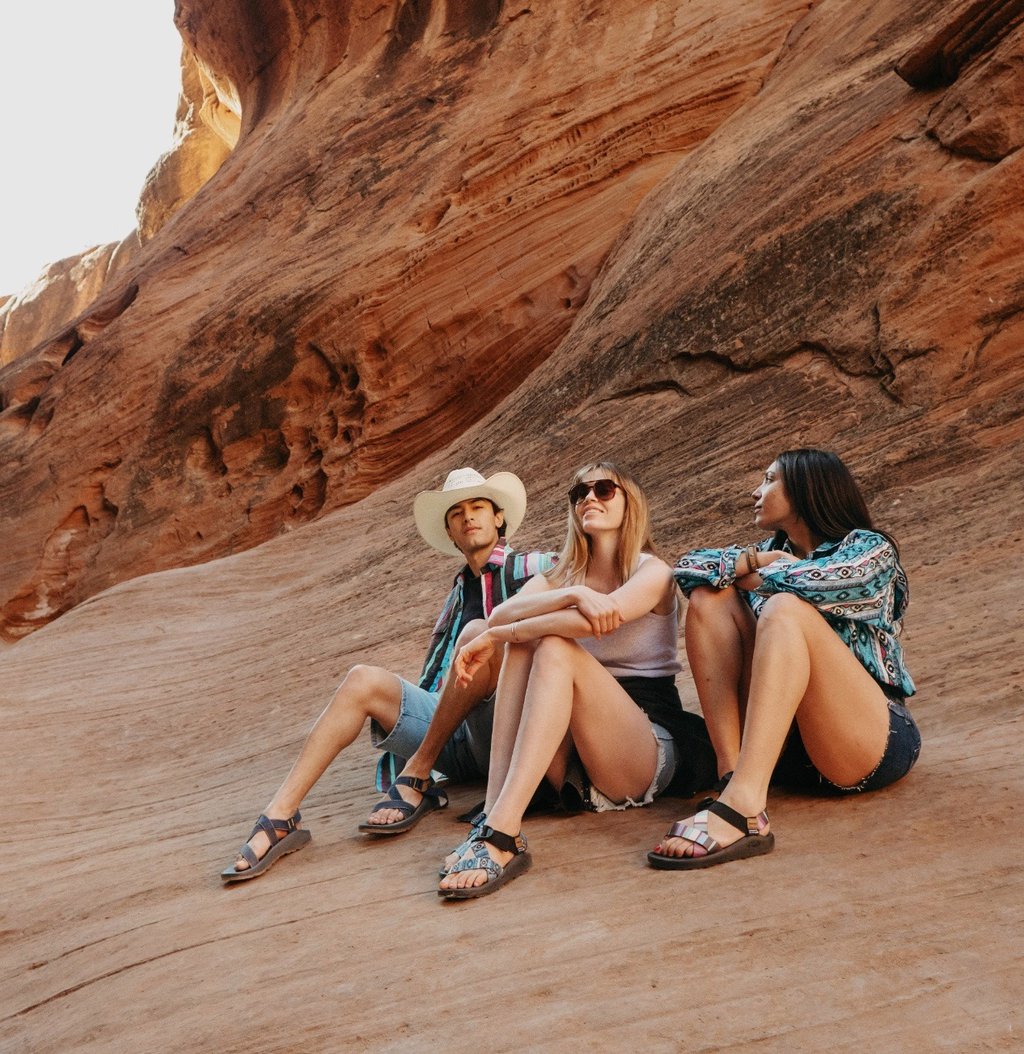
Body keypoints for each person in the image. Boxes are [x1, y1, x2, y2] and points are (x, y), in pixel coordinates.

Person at [220, 467, 555, 882]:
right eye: (458, 513)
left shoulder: (532, 566)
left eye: (479, 507)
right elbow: (436, 681)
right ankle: (279, 817)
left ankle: (416, 774)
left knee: (480, 635)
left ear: (499, 518)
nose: (469, 517)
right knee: (362, 678)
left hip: (507, 730)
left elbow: (585, 580)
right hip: (459, 738)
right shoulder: (457, 594)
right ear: (450, 533)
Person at [437, 461, 716, 900]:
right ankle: (492, 818)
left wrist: (496, 635)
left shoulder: (652, 571)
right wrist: (570, 592)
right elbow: (501, 613)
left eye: (604, 489)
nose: (589, 498)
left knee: (551, 644)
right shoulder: (563, 575)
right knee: (530, 643)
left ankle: (504, 834)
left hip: (641, 739)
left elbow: (595, 623)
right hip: (571, 744)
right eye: (579, 493)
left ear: (630, 503)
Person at [648, 448, 921, 870]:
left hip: (865, 740)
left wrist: (758, 574)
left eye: (770, 480)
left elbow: (830, 583)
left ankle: (743, 810)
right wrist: (757, 561)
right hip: (786, 751)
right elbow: (687, 570)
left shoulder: (870, 549)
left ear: (807, 486)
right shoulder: (767, 550)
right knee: (709, 598)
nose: (756, 492)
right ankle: (732, 777)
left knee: (785, 608)